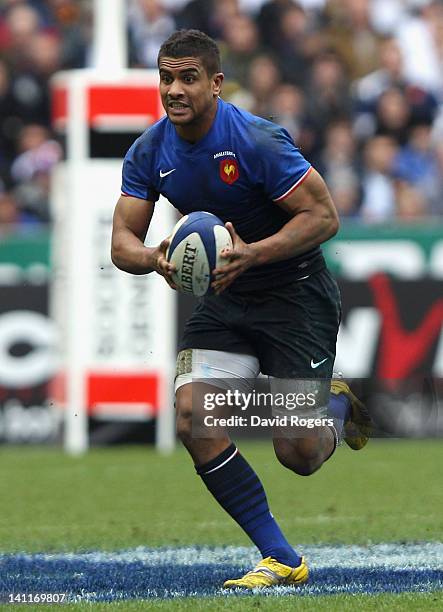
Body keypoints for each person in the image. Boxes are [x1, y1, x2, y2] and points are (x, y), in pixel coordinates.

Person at [111, 29, 371, 589]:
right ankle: (280, 556)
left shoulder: (257, 141)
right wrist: (156, 258)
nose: (174, 89)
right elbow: (120, 244)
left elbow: (324, 218)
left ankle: (336, 410)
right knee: (192, 416)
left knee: (298, 453)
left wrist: (254, 254)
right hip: (226, 298)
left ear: (216, 83)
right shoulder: (150, 149)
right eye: (166, 77)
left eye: (187, 78)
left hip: (295, 294)